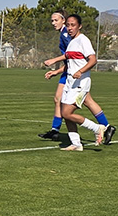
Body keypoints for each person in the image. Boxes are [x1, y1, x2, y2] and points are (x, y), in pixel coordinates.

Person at [40, 10, 115, 144]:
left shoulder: (70, 36)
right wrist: (56, 70)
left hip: (76, 76)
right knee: (85, 101)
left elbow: (83, 57)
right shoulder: (70, 37)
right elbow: (70, 56)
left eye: (56, 20)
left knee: (63, 105)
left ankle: (59, 130)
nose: (53, 23)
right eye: (51, 20)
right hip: (71, 74)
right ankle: (100, 131)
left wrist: (57, 63)